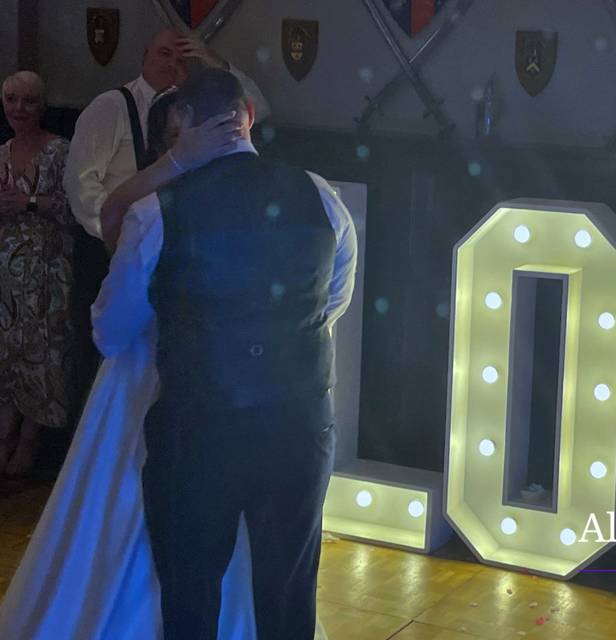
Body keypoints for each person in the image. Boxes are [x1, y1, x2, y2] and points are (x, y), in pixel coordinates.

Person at [97, 67, 356, 639]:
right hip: (298, 423)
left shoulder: (156, 211)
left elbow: (111, 332)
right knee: (289, 594)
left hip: (199, 428)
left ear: (182, 121)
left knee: (191, 595)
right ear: (249, 117)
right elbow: (332, 300)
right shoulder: (320, 193)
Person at [0, 87, 258, 640]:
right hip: (224, 394)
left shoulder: (154, 215)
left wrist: (174, 161)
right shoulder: (281, 206)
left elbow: (111, 331)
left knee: (125, 512)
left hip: (146, 382)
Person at [65, 29, 270, 240]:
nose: (172, 64)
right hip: (117, 241)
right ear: (146, 55)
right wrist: (119, 233)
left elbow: (258, 108)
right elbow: (80, 182)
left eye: (182, 61)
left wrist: (215, 61)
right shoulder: (111, 105)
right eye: (164, 54)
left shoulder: (196, 106)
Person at [0, 71, 77, 477]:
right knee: (6, 356)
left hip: (47, 273)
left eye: (28, 101)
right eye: (11, 99)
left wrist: (28, 202)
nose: (19, 109)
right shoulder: (1, 154)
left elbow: (74, 208)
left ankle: (28, 445)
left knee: (42, 357)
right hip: (6, 277)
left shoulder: (61, 151)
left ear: (43, 106)